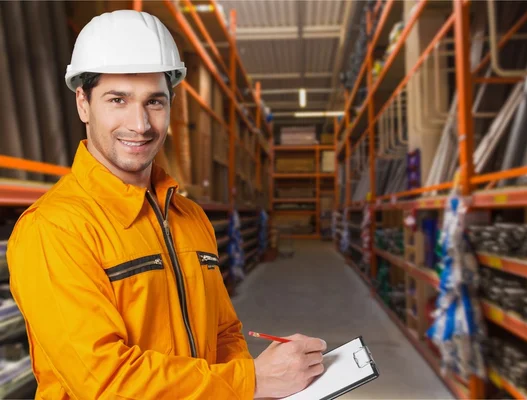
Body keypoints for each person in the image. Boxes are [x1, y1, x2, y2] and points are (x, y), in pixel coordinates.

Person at [7, 9, 326, 399]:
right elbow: (106, 383)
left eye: (154, 102)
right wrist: (251, 381)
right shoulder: (54, 229)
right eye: (118, 100)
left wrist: (249, 384)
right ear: (83, 104)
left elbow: (223, 333)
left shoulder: (190, 217)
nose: (140, 124)